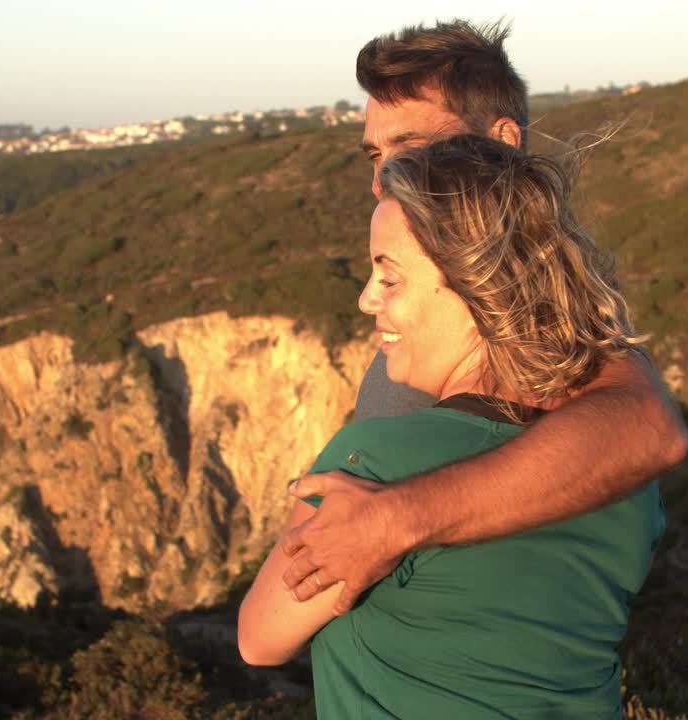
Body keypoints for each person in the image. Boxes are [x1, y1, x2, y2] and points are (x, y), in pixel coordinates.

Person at [239, 134, 664, 718]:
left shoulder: (372, 469)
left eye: (389, 279)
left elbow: (259, 638)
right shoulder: (623, 480)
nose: (367, 300)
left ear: (474, 287)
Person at [278, 20, 688, 614]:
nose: (381, 180)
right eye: (376, 153)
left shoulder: (541, 319)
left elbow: (650, 428)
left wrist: (394, 520)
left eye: (410, 146)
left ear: (503, 140)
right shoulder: (427, 300)